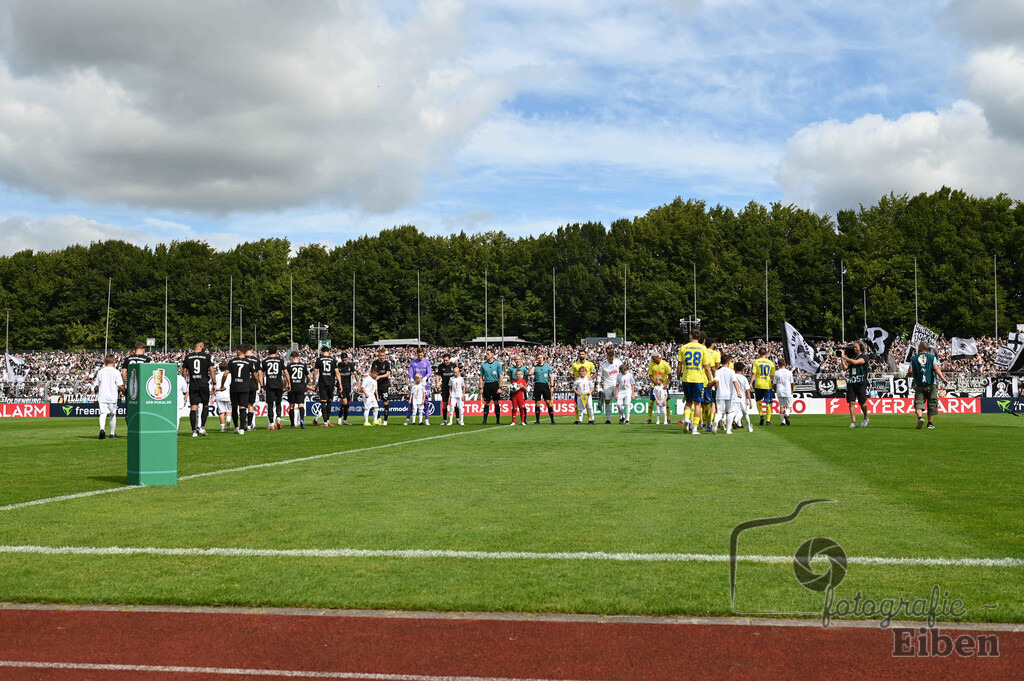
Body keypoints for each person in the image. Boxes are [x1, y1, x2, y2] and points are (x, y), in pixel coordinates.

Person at [677, 330, 712, 435]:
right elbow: (706, 367)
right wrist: (710, 380)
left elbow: (679, 365)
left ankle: (687, 419)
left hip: (686, 378)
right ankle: (695, 428)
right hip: (698, 379)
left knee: (688, 402)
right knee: (697, 404)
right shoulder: (703, 348)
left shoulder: (683, 348)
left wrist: (678, 377)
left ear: (690, 336)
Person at [908, 341, 947, 430]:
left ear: (920, 348)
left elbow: (910, 371)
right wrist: (943, 378)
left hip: (919, 384)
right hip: (931, 383)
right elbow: (936, 368)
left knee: (919, 402)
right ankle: (930, 423)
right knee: (932, 403)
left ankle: (920, 418)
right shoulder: (932, 357)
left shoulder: (914, 358)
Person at [183, 339, 216, 437]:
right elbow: (212, 370)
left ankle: (194, 431)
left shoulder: (188, 357)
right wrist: (214, 383)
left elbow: (184, 372)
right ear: (201, 346)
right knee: (205, 405)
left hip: (193, 384)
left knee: (193, 407)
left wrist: (185, 383)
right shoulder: (206, 356)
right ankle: (202, 427)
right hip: (204, 384)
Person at [222, 346, 254, 435]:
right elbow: (255, 375)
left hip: (234, 387)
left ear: (239, 351)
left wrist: (222, 384)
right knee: (243, 407)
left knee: (234, 407)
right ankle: (242, 429)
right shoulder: (249, 362)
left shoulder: (232, 361)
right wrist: (256, 384)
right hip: (245, 387)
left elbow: (225, 374)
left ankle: (236, 427)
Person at [93, 354, 124, 440]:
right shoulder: (116, 372)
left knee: (103, 413)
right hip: (112, 396)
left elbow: (97, 385)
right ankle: (112, 433)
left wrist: (101, 390)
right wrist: (125, 392)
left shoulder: (101, 371)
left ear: (105, 362)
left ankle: (102, 429)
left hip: (103, 395)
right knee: (112, 415)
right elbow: (120, 385)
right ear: (114, 361)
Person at [841, 341, 870, 428]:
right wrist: (842, 358)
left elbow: (856, 362)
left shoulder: (864, 357)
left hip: (861, 382)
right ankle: (854, 421)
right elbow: (845, 368)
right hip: (852, 382)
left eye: (856, 347)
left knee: (862, 403)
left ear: (861, 347)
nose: (854, 348)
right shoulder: (853, 357)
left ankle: (866, 417)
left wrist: (845, 358)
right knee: (851, 402)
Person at [711, 353, 741, 435]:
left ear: (720, 362)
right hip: (729, 394)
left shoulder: (718, 371)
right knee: (730, 412)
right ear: (728, 362)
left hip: (720, 394)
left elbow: (716, 381)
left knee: (720, 412)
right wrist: (738, 392)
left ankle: (716, 422)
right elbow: (735, 381)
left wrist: (710, 385)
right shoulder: (731, 371)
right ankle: (728, 430)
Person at [311, 346, 340, 427]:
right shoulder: (333, 360)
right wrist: (340, 384)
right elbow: (337, 373)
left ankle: (325, 422)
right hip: (331, 382)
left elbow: (315, 372)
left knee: (323, 401)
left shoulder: (319, 359)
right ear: (329, 351)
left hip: (322, 382)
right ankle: (328, 420)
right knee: (329, 401)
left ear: (322, 352)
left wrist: (314, 383)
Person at [405, 348, 433, 425]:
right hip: (415, 384)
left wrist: (425, 378)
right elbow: (410, 372)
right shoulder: (413, 362)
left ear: (423, 354)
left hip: (424, 385)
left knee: (426, 402)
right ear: (416, 354)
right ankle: (408, 419)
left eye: (421, 355)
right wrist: (411, 378)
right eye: (418, 355)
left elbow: (429, 372)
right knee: (411, 403)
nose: (420, 356)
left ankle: (427, 419)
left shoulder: (426, 362)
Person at [261, 345, 285, 430]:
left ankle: (271, 424)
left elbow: (261, 373)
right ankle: (278, 418)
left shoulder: (265, 361)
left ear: (268, 351)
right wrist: (288, 383)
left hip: (270, 384)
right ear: (277, 351)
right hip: (279, 384)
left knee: (270, 405)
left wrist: (262, 385)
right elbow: (285, 372)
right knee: (278, 403)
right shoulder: (280, 360)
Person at [284, 351, 310, 429]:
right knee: (301, 405)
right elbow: (308, 377)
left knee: (291, 406)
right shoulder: (303, 365)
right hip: (301, 387)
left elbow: (286, 378)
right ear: (298, 357)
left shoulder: (289, 366)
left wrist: (285, 386)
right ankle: (302, 420)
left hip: (292, 387)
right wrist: (306, 383)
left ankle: (292, 424)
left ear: (291, 357)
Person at [597, 346, 622, 424]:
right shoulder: (603, 364)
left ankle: (622, 417)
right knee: (607, 401)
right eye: (610, 359)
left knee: (619, 401)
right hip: (607, 385)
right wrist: (598, 386)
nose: (611, 360)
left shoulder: (618, 362)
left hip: (617, 384)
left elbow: (623, 370)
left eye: (612, 359)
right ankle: (608, 419)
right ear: (607, 357)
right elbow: (599, 375)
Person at [569, 349, 595, 423]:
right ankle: (578, 420)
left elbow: (595, 373)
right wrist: (574, 378)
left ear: (585, 354)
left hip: (587, 385)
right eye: (580, 354)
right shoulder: (575, 364)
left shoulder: (590, 364)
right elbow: (571, 373)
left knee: (589, 405)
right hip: (578, 386)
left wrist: (591, 378)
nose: (581, 355)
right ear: (578, 355)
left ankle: (590, 419)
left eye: (583, 354)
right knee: (578, 405)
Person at [751, 347, 776, 426]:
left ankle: (761, 416)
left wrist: (751, 383)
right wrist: (774, 384)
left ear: (759, 354)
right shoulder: (770, 363)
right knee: (768, 402)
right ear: (766, 354)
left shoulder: (756, 362)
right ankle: (768, 421)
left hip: (758, 384)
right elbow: (773, 376)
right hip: (767, 384)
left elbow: (754, 373)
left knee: (758, 400)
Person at [646, 351, 672, 424]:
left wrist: (666, 384)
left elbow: (670, 376)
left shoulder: (665, 364)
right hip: (654, 386)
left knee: (666, 402)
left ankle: (668, 418)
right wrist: (655, 383)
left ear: (657, 357)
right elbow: (650, 375)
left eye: (653, 358)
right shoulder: (651, 365)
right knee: (651, 401)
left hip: (663, 387)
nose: (652, 360)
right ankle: (649, 419)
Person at [479, 349, 503, 425]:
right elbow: (481, 377)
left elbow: (501, 376)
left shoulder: (497, 364)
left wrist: (500, 387)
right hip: (487, 384)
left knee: (496, 402)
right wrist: (480, 387)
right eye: (486, 354)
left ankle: (498, 420)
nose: (487, 355)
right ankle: (485, 420)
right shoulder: (483, 365)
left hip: (495, 384)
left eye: (488, 354)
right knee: (487, 402)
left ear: (492, 354)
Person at [530, 354, 556, 425]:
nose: (540, 359)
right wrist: (534, 365)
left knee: (548, 402)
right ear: (536, 359)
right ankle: (537, 420)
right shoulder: (535, 367)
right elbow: (530, 373)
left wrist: (552, 386)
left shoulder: (547, 367)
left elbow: (551, 377)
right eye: (538, 358)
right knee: (537, 403)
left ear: (543, 358)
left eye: (541, 357)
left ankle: (552, 420)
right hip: (537, 385)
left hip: (545, 385)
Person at [370, 348, 393, 425]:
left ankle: (385, 420)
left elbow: (388, 374)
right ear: (378, 355)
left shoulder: (387, 363)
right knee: (374, 402)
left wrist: (380, 376)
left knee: (385, 402)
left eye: (383, 355)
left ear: (385, 356)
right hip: (375, 385)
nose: (382, 357)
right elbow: (372, 373)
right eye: (380, 355)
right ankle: (378, 418)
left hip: (384, 385)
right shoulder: (375, 363)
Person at [732, 361, 754, 433]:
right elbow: (747, 390)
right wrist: (750, 400)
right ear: (742, 370)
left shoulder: (733, 376)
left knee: (736, 412)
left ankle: (734, 421)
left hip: (734, 397)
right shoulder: (744, 378)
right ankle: (749, 428)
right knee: (745, 413)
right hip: (742, 398)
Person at [435, 353, 457, 425]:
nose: (445, 362)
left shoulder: (453, 365)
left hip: (453, 387)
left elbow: (457, 374)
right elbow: (438, 375)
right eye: (444, 360)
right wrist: (437, 384)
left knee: (455, 404)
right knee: (445, 403)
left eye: (447, 360)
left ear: (449, 359)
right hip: (444, 387)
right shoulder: (441, 366)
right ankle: (444, 420)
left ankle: (458, 419)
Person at [336, 352, 357, 425]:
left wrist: (358, 381)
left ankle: (345, 420)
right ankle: (339, 418)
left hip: (348, 387)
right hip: (341, 386)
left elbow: (355, 373)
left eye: (346, 360)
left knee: (348, 403)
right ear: (341, 359)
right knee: (344, 402)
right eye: (343, 360)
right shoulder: (338, 365)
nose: (345, 361)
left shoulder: (350, 365)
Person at [244, 345, 261, 431]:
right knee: (251, 405)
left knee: (242, 405)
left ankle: (244, 423)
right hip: (253, 384)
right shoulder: (256, 360)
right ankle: (251, 424)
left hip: (243, 383)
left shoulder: (242, 359)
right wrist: (259, 384)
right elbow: (259, 373)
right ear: (252, 350)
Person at [772, 358, 794, 426]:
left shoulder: (776, 373)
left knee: (781, 406)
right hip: (787, 390)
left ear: (778, 365)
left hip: (779, 390)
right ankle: (786, 414)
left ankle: (783, 422)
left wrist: (775, 389)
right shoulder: (789, 372)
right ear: (785, 364)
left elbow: (774, 383)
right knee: (788, 406)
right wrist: (792, 389)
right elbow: (792, 383)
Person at [213, 361, 233, 432]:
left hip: (219, 395)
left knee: (221, 412)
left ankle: (222, 427)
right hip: (228, 394)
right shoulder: (230, 375)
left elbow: (212, 387)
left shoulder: (216, 376)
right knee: (229, 410)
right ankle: (228, 422)